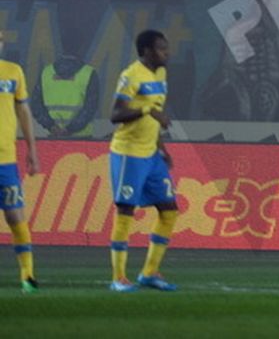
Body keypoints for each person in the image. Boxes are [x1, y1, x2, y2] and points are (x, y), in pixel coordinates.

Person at [108, 29, 178, 292]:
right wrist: (148, 109)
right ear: (147, 51)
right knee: (126, 211)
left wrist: (162, 148)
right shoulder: (130, 75)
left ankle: (149, 272)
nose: (167, 53)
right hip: (128, 154)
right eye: (162, 48)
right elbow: (115, 114)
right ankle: (118, 278)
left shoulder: (160, 74)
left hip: (151, 154)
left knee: (169, 210)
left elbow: (155, 116)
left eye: (166, 47)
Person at [0, 33, 38, 292]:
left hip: (5, 159)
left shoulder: (13, 72)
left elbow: (23, 110)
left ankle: (27, 275)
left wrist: (32, 149)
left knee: (15, 216)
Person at [30, 53, 99, 138]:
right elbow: (90, 107)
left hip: (53, 136)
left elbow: (36, 105)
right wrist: (70, 129)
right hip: (82, 137)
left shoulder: (46, 72)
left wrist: (51, 126)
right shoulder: (89, 73)